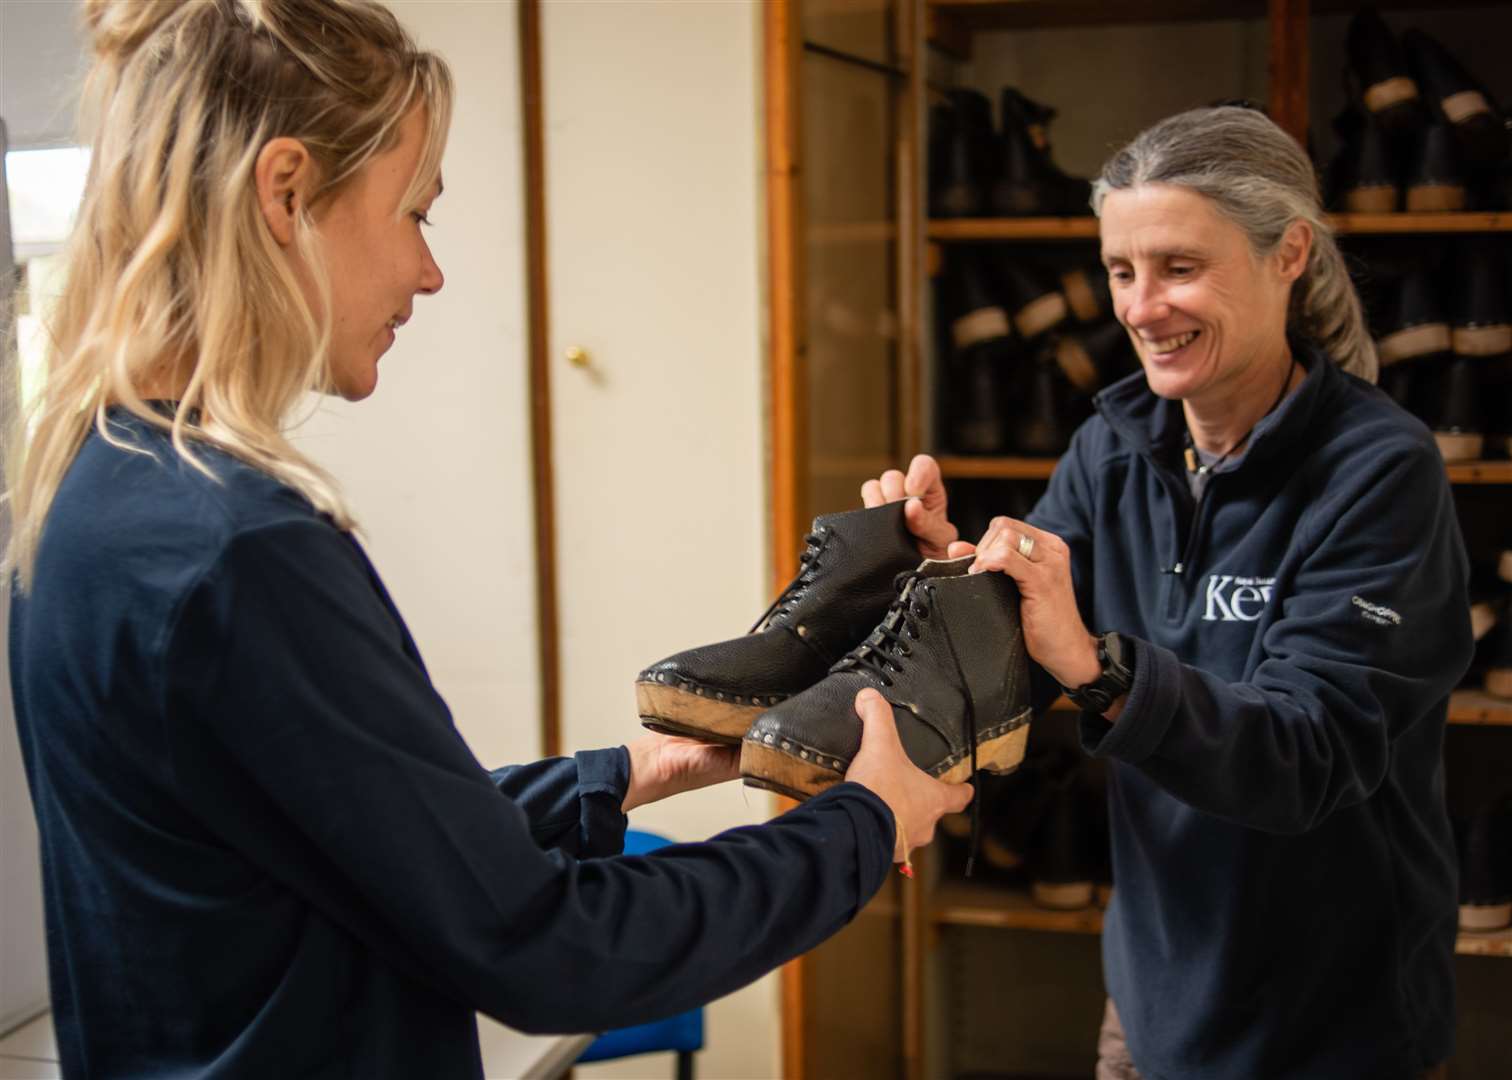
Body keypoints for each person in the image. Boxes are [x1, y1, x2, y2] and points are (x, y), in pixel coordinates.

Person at [5, 2, 972, 1076]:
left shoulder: (97, 497)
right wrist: (861, 828)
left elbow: (353, 837)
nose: (431, 272)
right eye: (415, 214)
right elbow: (548, 948)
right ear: (286, 194)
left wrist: (635, 771)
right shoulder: (243, 553)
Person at [866, 106, 1469, 1079]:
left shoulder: (1378, 471)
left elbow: (1309, 756)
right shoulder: (1118, 444)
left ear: (1290, 257)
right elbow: (1022, 647)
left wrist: (1099, 670)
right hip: (1153, 997)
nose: (1142, 307)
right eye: (1120, 271)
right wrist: (948, 573)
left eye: (1180, 268)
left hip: (1333, 1024)